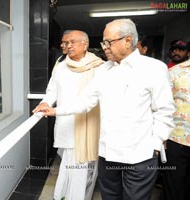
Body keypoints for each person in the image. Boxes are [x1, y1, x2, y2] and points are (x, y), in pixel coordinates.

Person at [35, 19, 175, 200]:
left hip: (139, 155)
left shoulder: (153, 69)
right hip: (107, 153)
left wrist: (154, 145)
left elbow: (164, 110)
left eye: (109, 42)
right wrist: (54, 110)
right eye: (103, 42)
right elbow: (86, 102)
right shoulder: (103, 71)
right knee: (109, 197)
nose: (105, 47)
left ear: (127, 40)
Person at [33, 30, 104, 200]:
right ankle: (65, 195)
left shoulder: (99, 66)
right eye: (65, 43)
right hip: (65, 123)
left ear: (85, 44)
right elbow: (52, 90)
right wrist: (45, 102)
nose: (67, 46)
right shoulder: (61, 65)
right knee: (68, 163)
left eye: (72, 42)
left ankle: (77, 196)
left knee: (83, 166)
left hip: (88, 124)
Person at [162, 52, 190, 200]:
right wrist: (162, 137)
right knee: (174, 183)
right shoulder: (174, 72)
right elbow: (163, 106)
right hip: (178, 139)